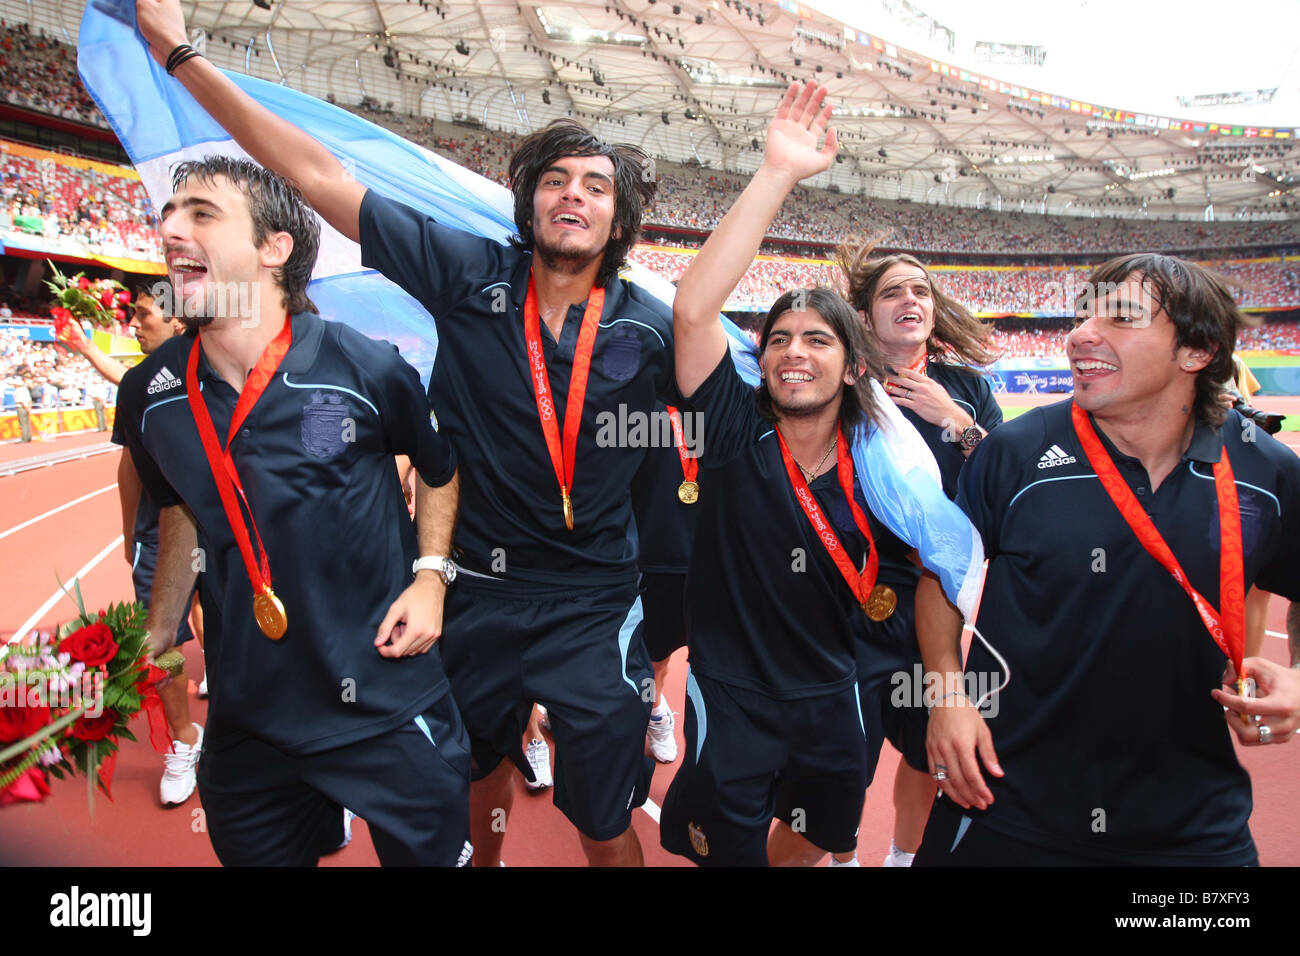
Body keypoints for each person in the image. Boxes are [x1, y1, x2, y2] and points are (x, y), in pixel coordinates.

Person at [137, 0, 671, 866]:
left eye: (596, 185)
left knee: (606, 819)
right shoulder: (467, 272)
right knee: (472, 777)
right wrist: (181, 54)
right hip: (470, 591)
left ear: (621, 222)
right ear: (528, 199)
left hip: (593, 600)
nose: (572, 193)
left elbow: (744, 401)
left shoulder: (652, 327)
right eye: (555, 178)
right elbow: (316, 177)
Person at [113, 156, 469, 866]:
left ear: (274, 249)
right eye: (169, 214)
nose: (172, 229)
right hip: (251, 719)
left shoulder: (363, 365)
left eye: (202, 214)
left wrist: (431, 577)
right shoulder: (149, 392)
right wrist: (158, 627)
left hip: (386, 698)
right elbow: (183, 503)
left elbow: (438, 467)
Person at [660, 81, 964, 866]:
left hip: (840, 696)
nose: (796, 350)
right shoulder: (731, 428)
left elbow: (933, 564)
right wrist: (777, 174)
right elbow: (693, 311)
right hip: (730, 694)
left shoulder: (889, 464)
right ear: (761, 361)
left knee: (813, 836)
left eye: (818, 339)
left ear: (853, 363)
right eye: (780, 338)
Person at [915, 253, 1300, 866]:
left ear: (1195, 353)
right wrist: (945, 693)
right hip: (1004, 804)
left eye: (1120, 318)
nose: (1080, 335)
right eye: (1083, 315)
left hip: (1194, 830)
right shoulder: (1014, 452)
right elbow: (940, 580)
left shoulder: (1266, 472)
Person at [834, 243, 1001, 867]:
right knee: (843, 755)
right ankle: (840, 853)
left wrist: (956, 421)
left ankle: (902, 860)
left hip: (940, 597)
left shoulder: (967, 390)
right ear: (865, 314)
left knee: (927, 752)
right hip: (846, 590)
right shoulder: (843, 378)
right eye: (893, 292)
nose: (911, 300)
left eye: (922, 291)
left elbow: (1005, 489)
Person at [64, 283, 211, 806]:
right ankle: (184, 741)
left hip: (227, 531)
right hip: (161, 533)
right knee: (162, 644)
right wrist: (131, 535)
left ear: (177, 323)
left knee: (231, 621)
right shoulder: (141, 384)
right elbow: (128, 464)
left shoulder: (225, 371)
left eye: (144, 314)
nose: (135, 322)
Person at [629, 401, 701, 763]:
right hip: (653, 559)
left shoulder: (729, 398)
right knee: (651, 658)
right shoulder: (642, 403)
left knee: (702, 665)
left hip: (712, 562)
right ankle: (655, 710)